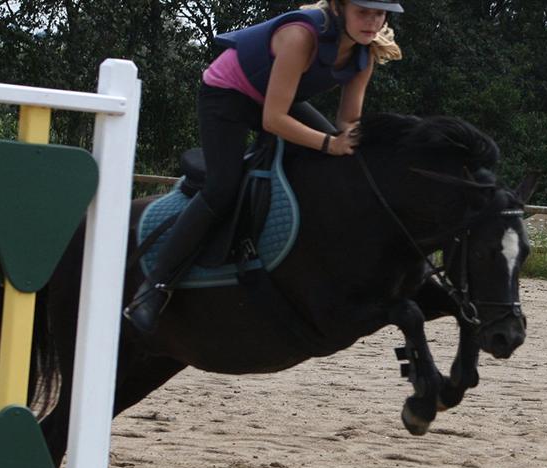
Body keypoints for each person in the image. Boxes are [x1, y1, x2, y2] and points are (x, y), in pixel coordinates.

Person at [124, 0, 404, 334]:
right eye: (364, 11)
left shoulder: (365, 54)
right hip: (227, 97)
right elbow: (274, 120)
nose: (372, 21)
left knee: (338, 161)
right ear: (339, 7)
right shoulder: (301, 36)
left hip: (274, 99)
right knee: (222, 187)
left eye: (380, 13)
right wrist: (330, 143)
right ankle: (153, 289)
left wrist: (373, 147)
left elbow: (347, 120)